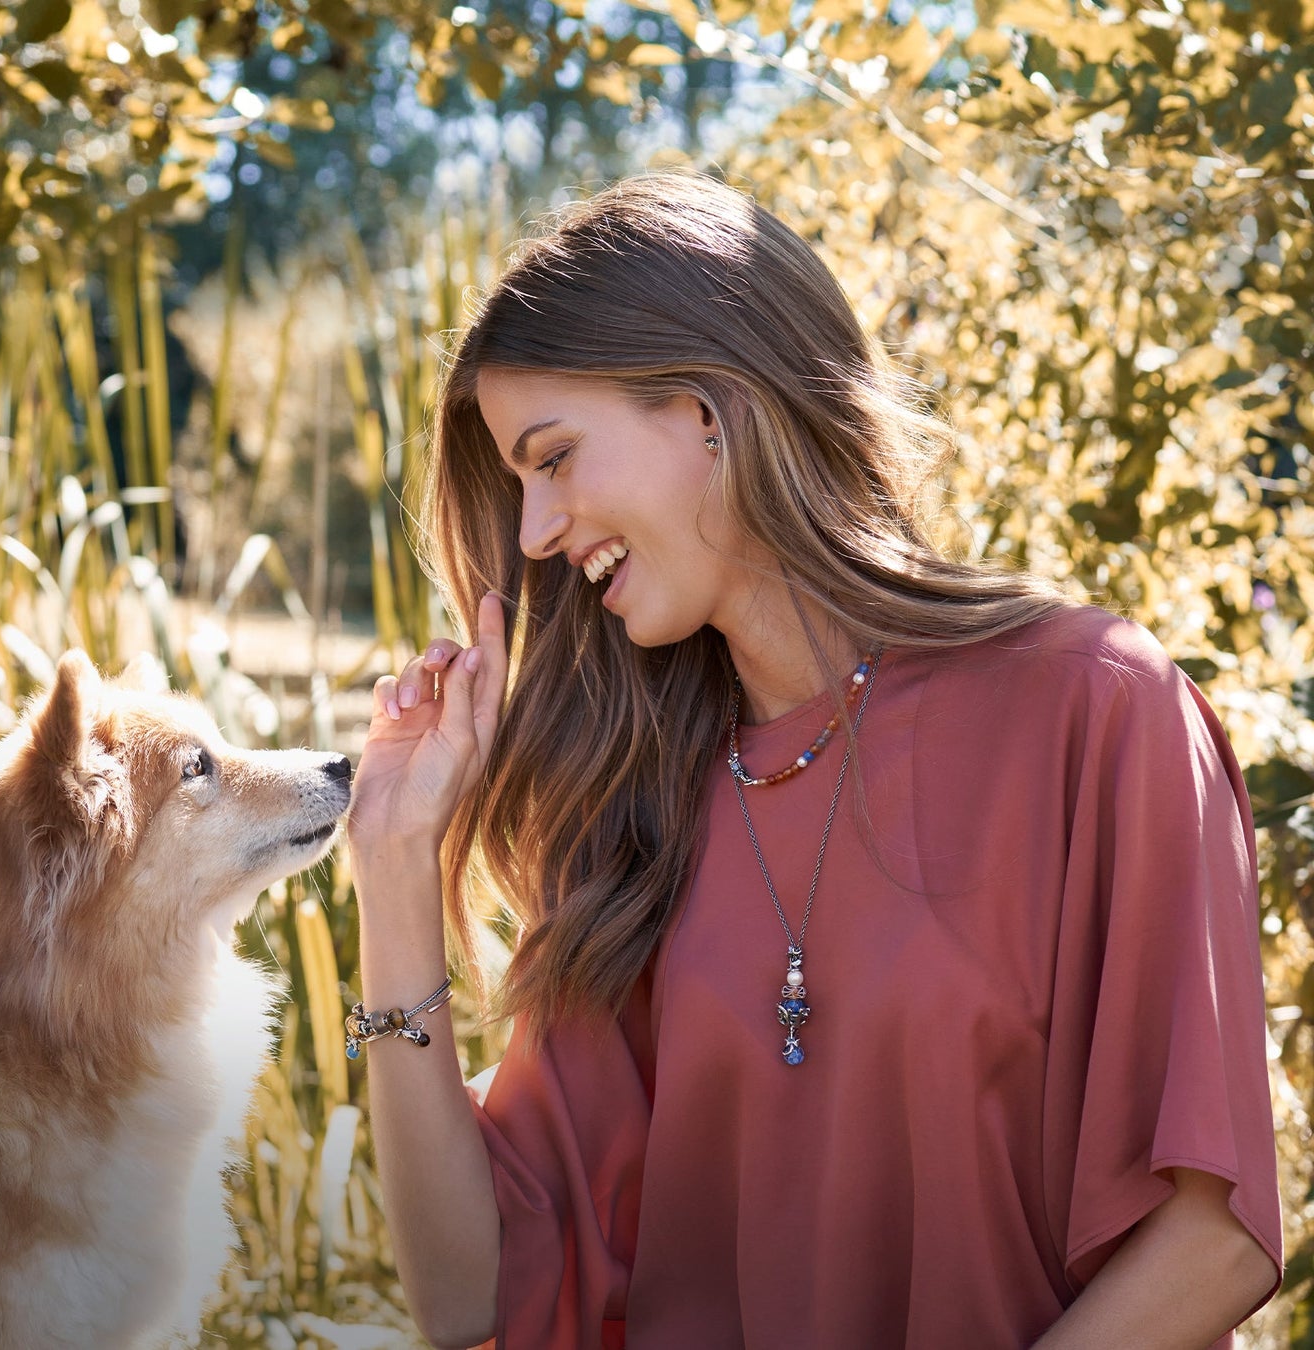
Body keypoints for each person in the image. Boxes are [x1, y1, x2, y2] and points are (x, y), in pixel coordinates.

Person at [340, 169, 1284, 1350]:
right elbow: (468, 1291)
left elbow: (1217, 1238)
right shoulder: (630, 813)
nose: (535, 531)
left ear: (707, 408)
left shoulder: (1094, 710)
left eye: (556, 456)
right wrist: (391, 865)